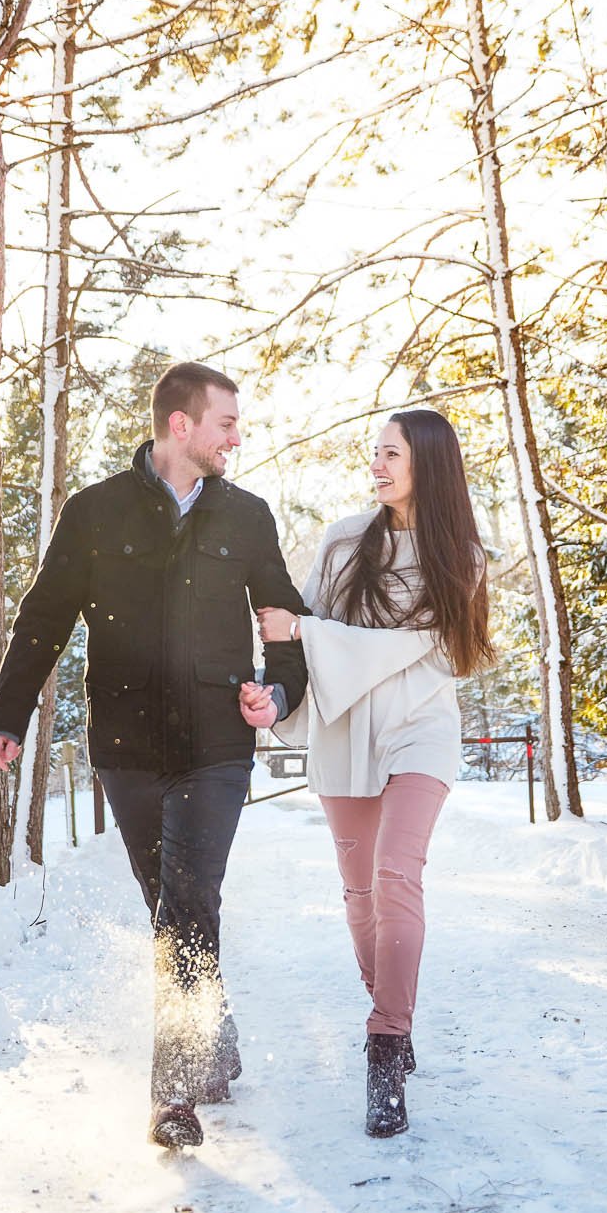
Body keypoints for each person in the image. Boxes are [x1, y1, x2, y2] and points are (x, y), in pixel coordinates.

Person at [0, 362, 308, 1150]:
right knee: (168, 905)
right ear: (180, 426)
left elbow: (284, 620)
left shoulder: (248, 516)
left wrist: (281, 693)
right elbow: (45, 615)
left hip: (216, 747)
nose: (238, 436)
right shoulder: (94, 512)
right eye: (226, 422)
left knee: (188, 901)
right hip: (125, 745)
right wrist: (10, 708)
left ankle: (173, 1095)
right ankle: (213, 1037)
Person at [256, 409, 492, 1138]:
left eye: (390, 454)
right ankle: (390, 1001)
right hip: (346, 731)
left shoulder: (463, 558)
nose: (377, 465)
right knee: (359, 893)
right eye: (375, 453)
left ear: (427, 463)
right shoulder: (341, 541)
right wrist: (278, 690)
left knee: (396, 873)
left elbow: (424, 648)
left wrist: (308, 632)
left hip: (420, 726)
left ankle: (385, 1042)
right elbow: (305, 636)